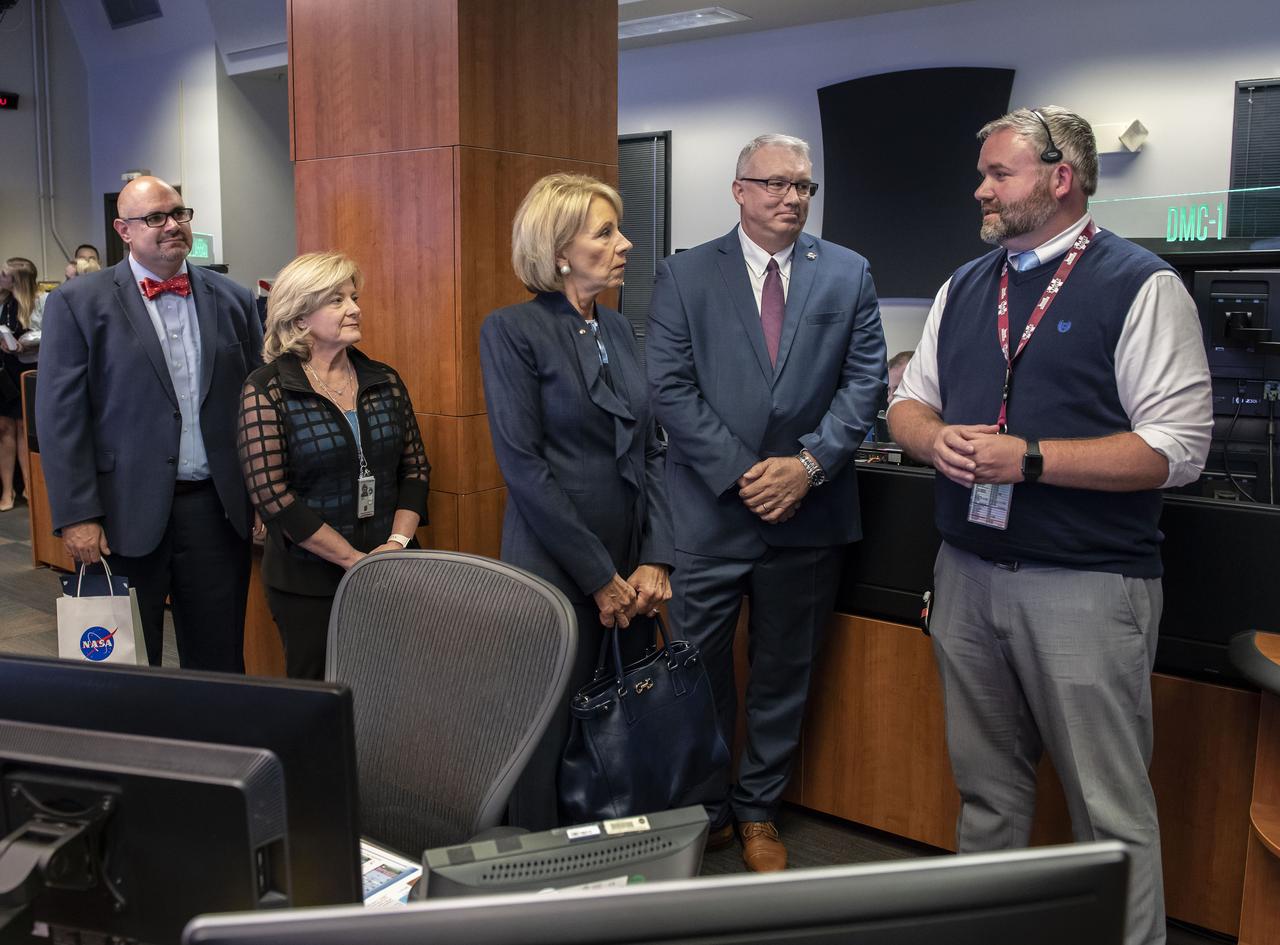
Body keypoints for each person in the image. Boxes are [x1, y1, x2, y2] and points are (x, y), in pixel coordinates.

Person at [887, 107, 1212, 945]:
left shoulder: (1141, 285)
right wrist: (933, 439)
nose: (981, 189)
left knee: (1110, 814)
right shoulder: (966, 285)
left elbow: (1176, 450)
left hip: (1088, 586)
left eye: (1000, 173)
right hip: (966, 576)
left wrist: (1027, 459)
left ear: (1059, 178)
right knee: (988, 795)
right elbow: (907, 401)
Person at [647, 133, 887, 871]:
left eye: (804, 187)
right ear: (739, 190)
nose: (792, 199)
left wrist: (807, 466)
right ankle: (710, 805)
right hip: (712, 513)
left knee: (785, 671)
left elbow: (866, 382)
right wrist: (750, 474)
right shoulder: (685, 274)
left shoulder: (847, 273)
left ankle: (758, 811)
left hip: (808, 515)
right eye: (776, 184)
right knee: (698, 668)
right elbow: (669, 387)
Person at [480, 173, 675, 831]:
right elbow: (524, 468)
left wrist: (655, 559)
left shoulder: (619, 329)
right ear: (559, 249)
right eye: (606, 232)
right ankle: (541, 875)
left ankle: (612, 860)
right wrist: (599, 576)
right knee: (552, 729)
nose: (625, 244)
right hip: (557, 568)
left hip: (631, 570)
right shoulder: (511, 330)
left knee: (619, 725)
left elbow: (652, 450)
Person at [36, 176, 263, 672]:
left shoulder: (235, 299)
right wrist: (77, 515)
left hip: (216, 510)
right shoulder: (77, 303)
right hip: (120, 514)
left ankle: (218, 748)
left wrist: (261, 496)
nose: (172, 226)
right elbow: (61, 417)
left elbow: (253, 404)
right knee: (126, 661)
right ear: (123, 229)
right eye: (155, 218)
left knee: (220, 656)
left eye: (179, 214)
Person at [238, 252, 430, 680]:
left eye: (354, 296)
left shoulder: (385, 379)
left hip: (391, 568)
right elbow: (272, 494)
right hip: (307, 581)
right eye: (337, 300)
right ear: (300, 317)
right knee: (320, 696)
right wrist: (351, 560)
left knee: (395, 687)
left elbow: (415, 469)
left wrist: (396, 545)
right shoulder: (267, 388)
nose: (355, 308)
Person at [0, 257, 42, 511]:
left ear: (17, 280)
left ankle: (30, 486)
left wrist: (27, 343)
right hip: (5, 371)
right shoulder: (3, 302)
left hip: (29, 370)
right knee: (5, 430)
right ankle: (7, 490)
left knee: (26, 429)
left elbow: (52, 333)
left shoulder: (40, 302)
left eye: (5, 274)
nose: (1, 277)